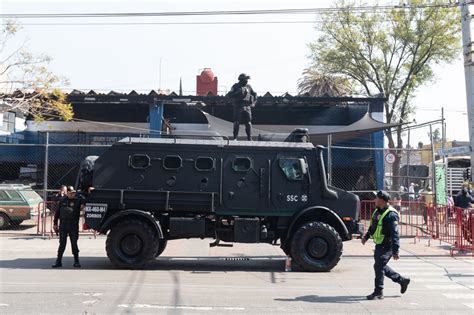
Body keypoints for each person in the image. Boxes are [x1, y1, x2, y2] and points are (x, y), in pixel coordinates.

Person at [361, 190, 410, 300]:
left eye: (376, 198)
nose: (374, 200)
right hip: (379, 244)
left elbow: (395, 234)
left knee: (379, 266)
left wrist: (395, 250)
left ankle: (378, 292)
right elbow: (373, 226)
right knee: (379, 266)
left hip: (388, 245)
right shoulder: (377, 211)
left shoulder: (391, 215)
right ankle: (402, 280)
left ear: (382, 200)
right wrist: (366, 236)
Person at [52, 186, 85, 268]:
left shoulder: (78, 200)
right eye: (71, 193)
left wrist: (89, 192)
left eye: (73, 193)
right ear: (67, 193)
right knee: (62, 244)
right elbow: (57, 213)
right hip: (63, 225)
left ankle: (76, 261)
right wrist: (55, 224)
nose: (72, 194)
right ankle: (58, 261)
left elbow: (86, 200)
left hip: (73, 225)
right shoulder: (62, 200)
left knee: (74, 243)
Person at [227, 73, 257, 140]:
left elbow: (255, 94)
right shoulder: (235, 86)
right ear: (241, 80)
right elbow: (229, 95)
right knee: (236, 122)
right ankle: (235, 137)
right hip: (238, 105)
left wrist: (253, 103)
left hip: (247, 106)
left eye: (247, 79)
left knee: (248, 122)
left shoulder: (249, 86)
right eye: (245, 79)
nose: (247, 81)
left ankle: (249, 138)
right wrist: (237, 93)